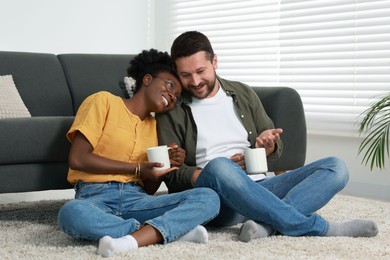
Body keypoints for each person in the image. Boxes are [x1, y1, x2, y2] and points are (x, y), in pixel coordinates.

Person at [156, 31, 379, 241]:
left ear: (214, 61)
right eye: (185, 75)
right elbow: (171, 173)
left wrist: (268, 146)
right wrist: (215, 174)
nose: (194, 81)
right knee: (220, 167)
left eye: (200, 71)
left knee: (336, 167)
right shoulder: (172, 109)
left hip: (260, 186)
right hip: (218, 199)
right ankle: (319, 228)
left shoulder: (242, 93)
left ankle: (267, 226)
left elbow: (273, 146)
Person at [57, 48, 220, 258]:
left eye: (176, 96)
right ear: (147, 79)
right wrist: (138, 168)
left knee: (208, 197)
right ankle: (161, 233)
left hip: (137, 199)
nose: (171, 96)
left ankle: (137, 235)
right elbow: (78, 158)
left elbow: (149, 188)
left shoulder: (155, 126)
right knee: (71, 213)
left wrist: (164, 167)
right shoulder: (103, 101)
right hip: (94, 197)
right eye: (169, 86)